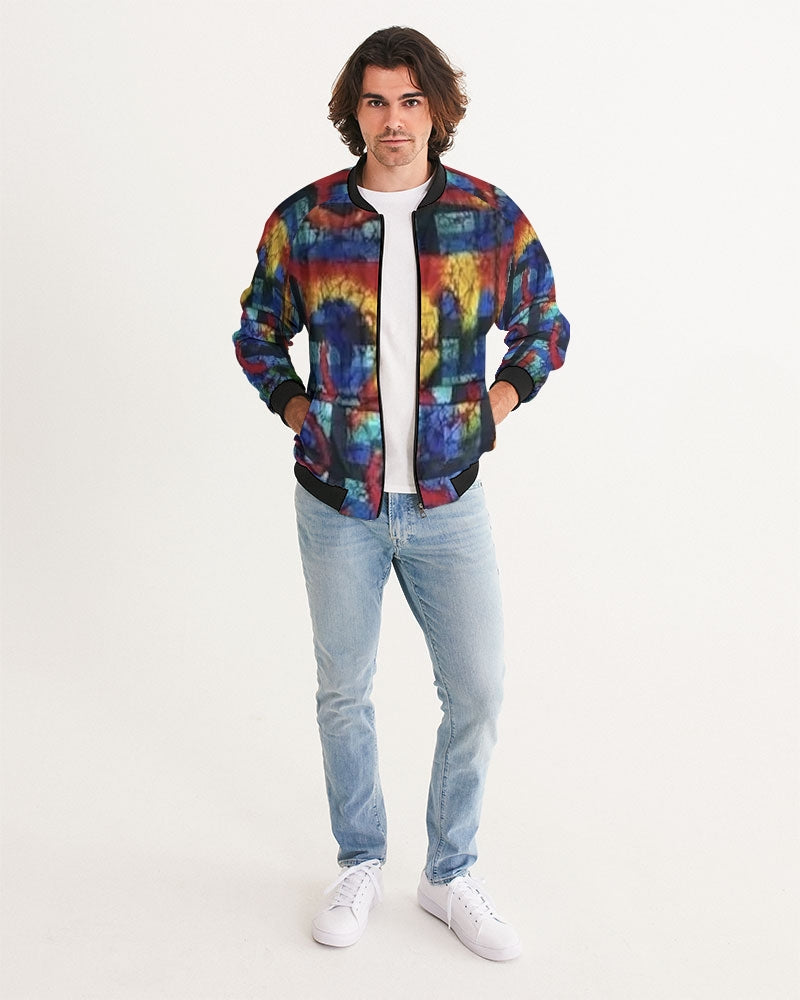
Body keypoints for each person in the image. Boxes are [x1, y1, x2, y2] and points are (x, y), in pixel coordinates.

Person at [233, 26, 569, 962]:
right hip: (336, 500)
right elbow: (258, 330)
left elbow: (544, 323)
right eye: (377, 100)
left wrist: (492, 410)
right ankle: (360, 859)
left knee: (479, 688)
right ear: (356, 111)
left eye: (410, 100)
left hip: (447, 502)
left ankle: (449, 873)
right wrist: (299, 410)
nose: (393, 120)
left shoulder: (487, 219)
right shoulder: (306, 222)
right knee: (344, 691)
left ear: (436, 110)